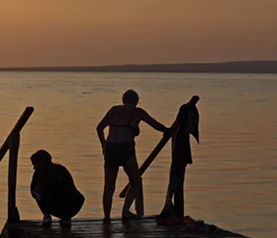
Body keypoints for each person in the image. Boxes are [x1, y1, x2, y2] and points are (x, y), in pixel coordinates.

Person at [96, 89, 170, 220]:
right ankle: (125, 211)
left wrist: (103, 144)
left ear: (123, 100)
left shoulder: (113, 110)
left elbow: (99, 127)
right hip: (126, 149)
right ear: (136, 101)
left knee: (109, 187)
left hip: (111, 148)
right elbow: (155, 124)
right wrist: (167, 130)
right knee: (135, 181)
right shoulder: (138, 112)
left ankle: (106, 217)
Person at [158, 97, 200, 224]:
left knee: (176, 179)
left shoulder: (184, 119)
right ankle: (174, 210)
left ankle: (175, 211)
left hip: (180, 152)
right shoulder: (184, 118)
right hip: (181, 152)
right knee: (176, 180)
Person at [29, 150, 85, 227]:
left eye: (35, 164)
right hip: (75, 204)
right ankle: (66, 218)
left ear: (41, 163)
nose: (34, 168)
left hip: (54, 205)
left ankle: (47, 216)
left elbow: (35, 191)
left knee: (36, 193)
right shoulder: (61, 169)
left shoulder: (40, 174)